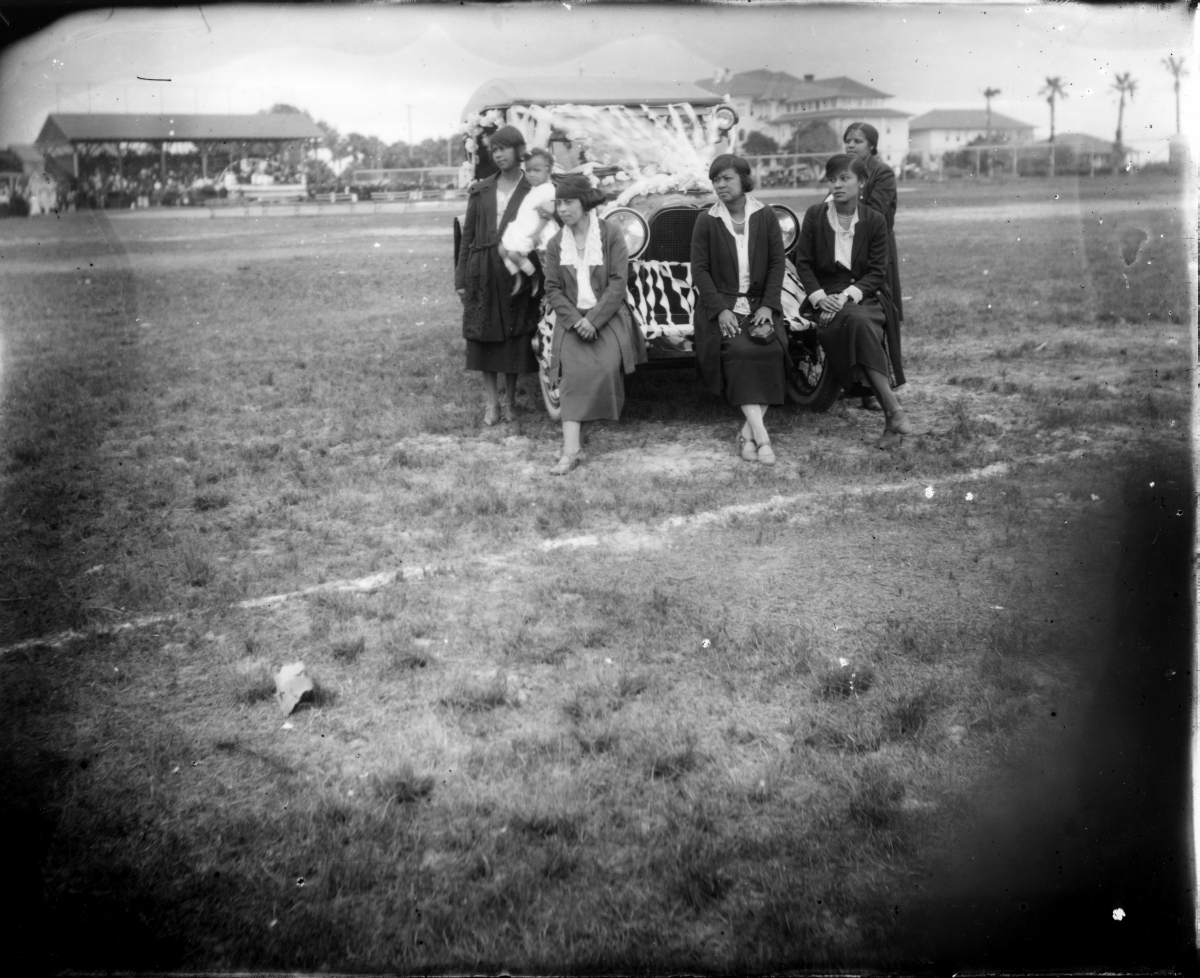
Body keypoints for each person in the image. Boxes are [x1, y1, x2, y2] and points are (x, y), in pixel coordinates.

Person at [795, 154, 910, 449]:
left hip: (865, 294)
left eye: (844, 178)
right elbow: (804, 263)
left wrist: (846, 296)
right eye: (832, 179)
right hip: (824, 295)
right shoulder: (815, 215)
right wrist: (821, 298)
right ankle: (893, 413)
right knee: (856, 324)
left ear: (862, 182)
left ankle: (892, 416)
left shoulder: (874, 220)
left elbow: (876, 272)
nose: (836, 185)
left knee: (857, 320)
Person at [690, 153, 792, 466]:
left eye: (727, 178)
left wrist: (768, 306)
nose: (720, 185)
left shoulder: (765, 215)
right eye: (716, 180)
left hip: (761, 305)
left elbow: (778, 263)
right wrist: (721, 310)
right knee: (738, 350)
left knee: (771, 350)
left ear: (743, 180)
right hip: (721, 307)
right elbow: (700, 270)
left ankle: (747, 436)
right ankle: (761, 438)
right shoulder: (706, 220)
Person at [543, 174, 647, 475]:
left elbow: (618, 283)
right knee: (573, 374)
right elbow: (553, 289)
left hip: (608, 318)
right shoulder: (554, 244)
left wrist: (594, 320)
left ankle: (578, 431)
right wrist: (577, 322)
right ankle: (571, 451)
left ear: (584, 203)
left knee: (604, 368)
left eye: (569, 202)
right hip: (572, 321)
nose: (562, 209)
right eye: (558, 203)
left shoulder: (611, 234)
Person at [455, 125, 541, 426]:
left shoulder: (534, 189)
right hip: (483, 271)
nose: (498, 154)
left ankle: (510, 402)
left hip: (515, 272)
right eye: (494, 149)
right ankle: (491, 404)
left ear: (518, 150)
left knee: (514, 338)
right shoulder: (481, 190)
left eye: (503, 148)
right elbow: (467, 238)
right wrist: (461, 279)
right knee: (484, 337)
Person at [844, 122, 904, 411]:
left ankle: (874, 390)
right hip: (848, 249)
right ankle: (856, 383)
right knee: (853, 313)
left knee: (875, 317)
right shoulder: (846, 172)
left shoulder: (882, 173)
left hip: (876, 251)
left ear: (872, 145)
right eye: (848, 140)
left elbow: (877, 213)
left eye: (857, 140)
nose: (851, 145)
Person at [498, 147, 557, 294]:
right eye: (528, 170)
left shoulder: (548, 190)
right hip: (523, 227)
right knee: (501, 249)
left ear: (548, 171)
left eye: (537, 171)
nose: (531, 175)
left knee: (513, 254)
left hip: (536, 230)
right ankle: (518, 275)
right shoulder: (535, 188)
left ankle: (533, 276)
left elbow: (546, 214)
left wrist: (536, 233)